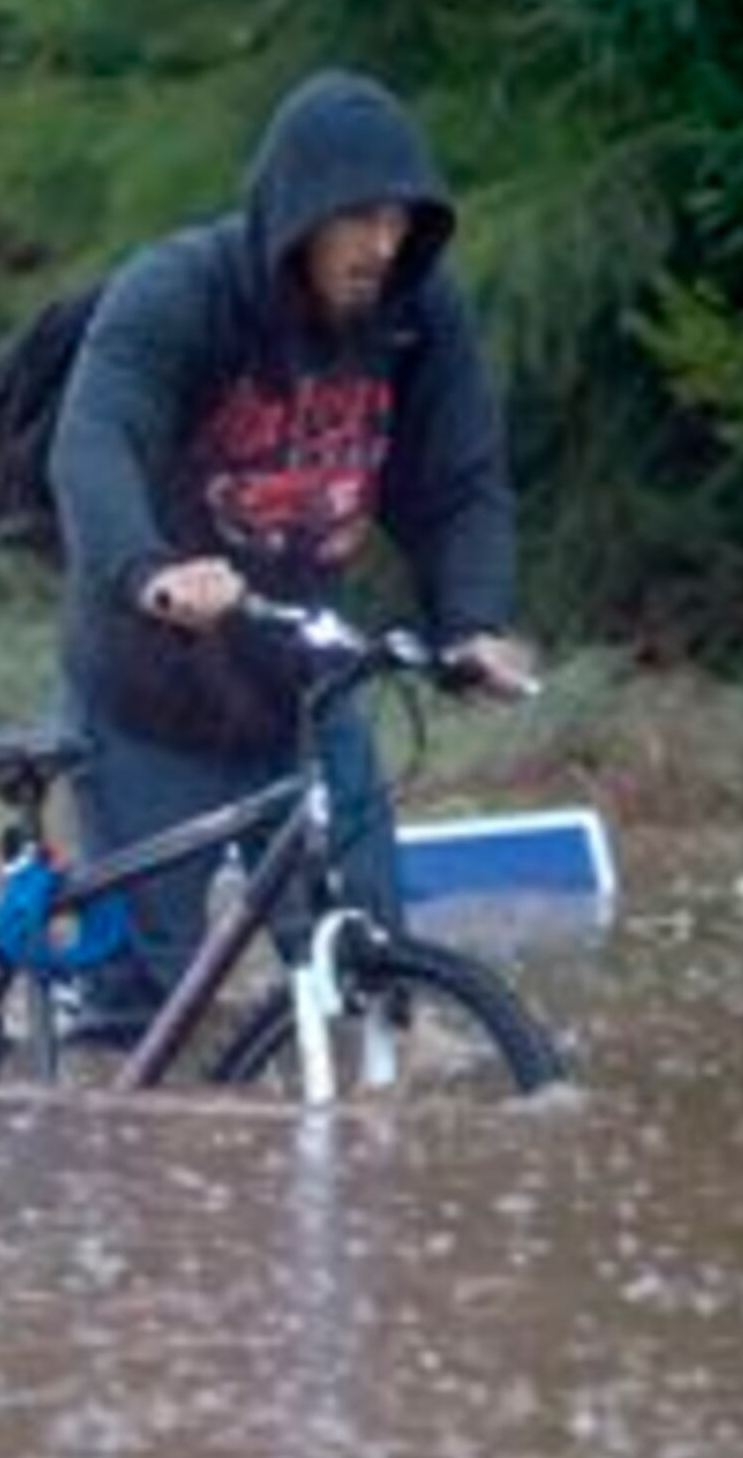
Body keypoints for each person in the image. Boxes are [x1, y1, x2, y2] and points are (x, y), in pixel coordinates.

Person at [47, 65, 536, 1046]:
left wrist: (472, 622)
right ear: (298, 214)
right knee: (144, 1014)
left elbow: (461, 481)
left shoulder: (417, 314)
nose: (382, 244)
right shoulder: (181, 291)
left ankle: (364, 1163)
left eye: (399, 221)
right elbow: (91, 439)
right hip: (152, 687)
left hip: (302, 687)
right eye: (357, 220)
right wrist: (150, 569)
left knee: (367, 964)